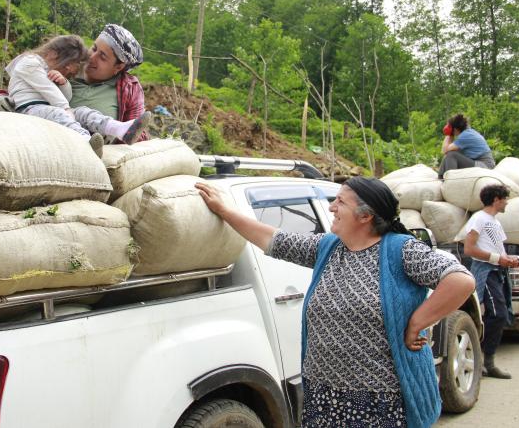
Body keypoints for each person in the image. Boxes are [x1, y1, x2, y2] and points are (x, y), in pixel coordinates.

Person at [195, 177, 475, 428]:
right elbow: (271, 239)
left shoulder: (400, 250)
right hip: (323, 396)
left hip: (378, 402)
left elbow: (460, 281)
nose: (331, 207)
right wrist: (224, 211)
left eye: (340, 202)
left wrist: (418, 322)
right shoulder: (327, 248)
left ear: (365, 215)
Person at [0, 24, 150, 144]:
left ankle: (108, 132)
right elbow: (22, 87)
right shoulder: (68, 64)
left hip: (91, 137)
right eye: (94, 48)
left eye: (102, 56)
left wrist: (111, 138)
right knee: (64, 114)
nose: (92, 57)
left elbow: (138, 133)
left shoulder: (129, 87)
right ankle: (86, 143)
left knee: (84, 113)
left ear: (118, 67)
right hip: (47, 131)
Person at [462, 184, 519, 379]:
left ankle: (484, 361)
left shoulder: (494, 222)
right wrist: (497, 259)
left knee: (497, 315)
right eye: (505, 198)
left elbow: (497, 248)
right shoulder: (479, 219)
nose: (506, 202)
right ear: (496, 199)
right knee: (498, 314)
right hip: (486, 271)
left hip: (497, 271)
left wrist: (508, 259)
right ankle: (486, 362)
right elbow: (469, 249)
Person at [438, 113, 495, 177]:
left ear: (455, 129)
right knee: (451, 153)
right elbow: (447, 152)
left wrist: (448, 135)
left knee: (452, 155)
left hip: (485, 165)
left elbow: (444, 150)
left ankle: (451, 178)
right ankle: (441, 177)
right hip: (478, 162)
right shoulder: (468, 132)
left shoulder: (465, 136)